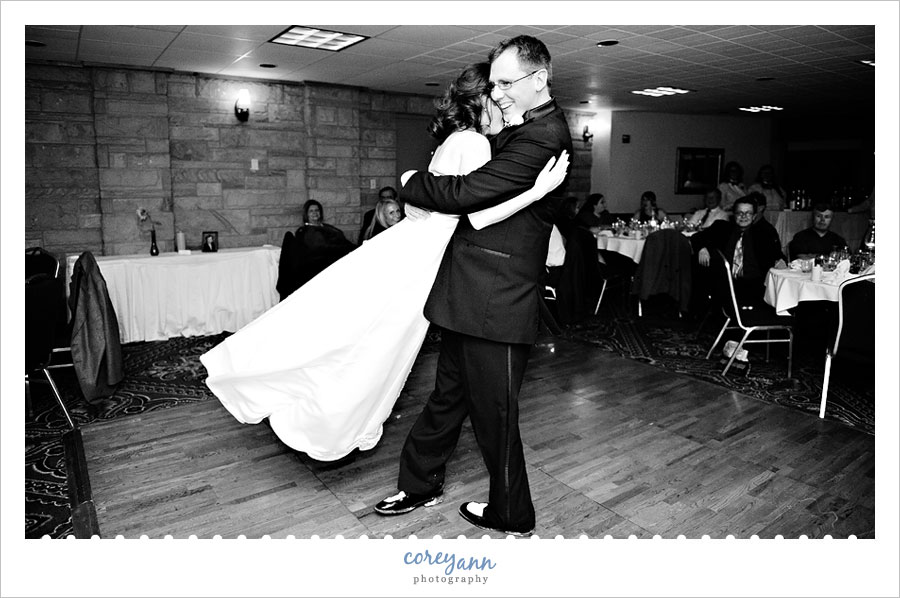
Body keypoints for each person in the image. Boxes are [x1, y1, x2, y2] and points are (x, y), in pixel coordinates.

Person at [200, 60, 568, 468]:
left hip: (410, 250)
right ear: (483, 101)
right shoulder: (476, 145)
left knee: (359, 340)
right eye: (498, 97)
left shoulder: (455, 140)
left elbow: (429, 199)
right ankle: (328, 425)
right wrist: (537, 191)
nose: (506, 106)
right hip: (419, 263)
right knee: (375, 350)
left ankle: (323, 418)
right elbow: (477, 216)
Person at [373, 35, 573, 538]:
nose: (498, 91)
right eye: (495, 83)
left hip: (498, 303)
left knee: (496, 418)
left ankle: (513, 514)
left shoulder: (542, 137)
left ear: (538, 80)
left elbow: (469, 197)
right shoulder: (519, 130)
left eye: (506, 83)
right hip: (470, 294)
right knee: (447, 398)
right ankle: (420, 484)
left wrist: (411, 179)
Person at [691, 193, 786, 308]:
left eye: (748, 213)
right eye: (739, 213)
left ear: (754, 216)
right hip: (724, 284)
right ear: (734, 215)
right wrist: (702, 248)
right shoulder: (722, 228)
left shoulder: (764, 234)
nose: (743, 216)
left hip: (753, 285)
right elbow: (697, 237)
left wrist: (780, 261)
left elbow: (777, 255)